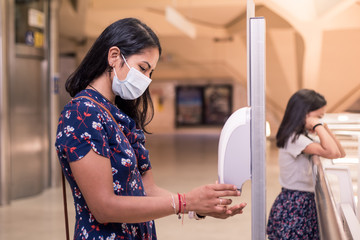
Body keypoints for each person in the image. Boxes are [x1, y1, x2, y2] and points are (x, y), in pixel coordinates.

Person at [55, 18, 246, 240]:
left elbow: (147, 189)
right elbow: (103, 208)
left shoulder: (117, 115)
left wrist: (197, 207)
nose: (146, 80)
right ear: (114, 56)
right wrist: (184, 201)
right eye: (143, 68)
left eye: (150, 73)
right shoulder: (82, 114)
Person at [266, 89, 346, 239]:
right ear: (305, 113)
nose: (320, 121)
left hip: (301, 202)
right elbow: (332, 153)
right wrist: (318, 126)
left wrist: (324, 126)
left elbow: (340, 152)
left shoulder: (302, 137)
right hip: (295, 205)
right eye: (318, 117)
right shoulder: (294, 139)